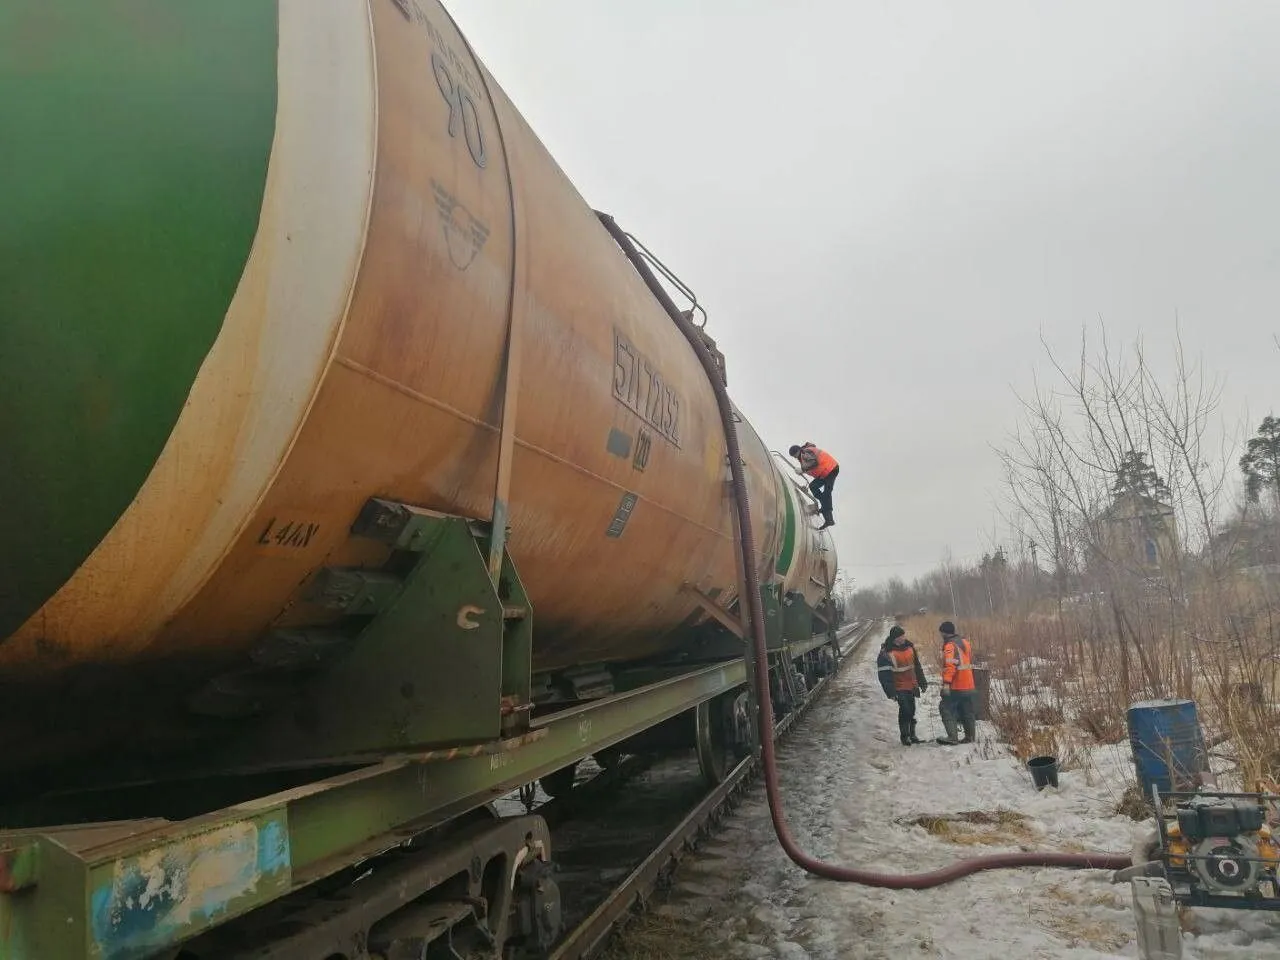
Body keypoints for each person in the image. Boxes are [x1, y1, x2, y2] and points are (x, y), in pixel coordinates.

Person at [876, 625, 927, 745]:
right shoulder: (886, 653)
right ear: (894, 638)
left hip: (911, 684)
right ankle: (905, 737)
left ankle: (912, 735)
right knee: (905, 709)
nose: (903, 638)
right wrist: (891, 692)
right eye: (900, 636)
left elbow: (917, 666)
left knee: (912, 709)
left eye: (903, 635)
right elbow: (884, 676)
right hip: (898, 686)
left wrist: (922, 681)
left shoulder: (910, 647)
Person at [936, 620, 977, 745]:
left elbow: (950, 666)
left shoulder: (950, 646)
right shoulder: (965, 642)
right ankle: (970, 736)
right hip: (969, 684)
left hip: (957, 685)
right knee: (967, 709)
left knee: (946, 708)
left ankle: (952, 737)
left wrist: (947, 683)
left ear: (944, 633)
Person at [788, 442, 839, 529]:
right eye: (793, 456)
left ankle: (828, 517)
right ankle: (825, 509)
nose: (795, 457)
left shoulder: (804, 453)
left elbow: (813, 462)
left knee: (827, 492)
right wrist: (803, 470)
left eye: (794, 455)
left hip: (831, 469)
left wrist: (802, 469)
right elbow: (812, 468)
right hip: (824, 473)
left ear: (798, 451)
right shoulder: (803, 456)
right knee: (813, 486)